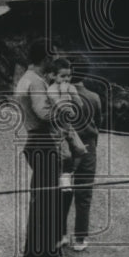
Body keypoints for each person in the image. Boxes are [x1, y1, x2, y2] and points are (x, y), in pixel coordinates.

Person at [14, 39, 61, 257]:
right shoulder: (37, 82)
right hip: (43, 140)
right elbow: (44, 113)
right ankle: (38, 253)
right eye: (51, 57)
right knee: (47, 199)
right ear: (44, 58)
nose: (53, 61)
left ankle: (36, 248)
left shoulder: (24, 79)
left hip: (32, 139)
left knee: (40, 197)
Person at [59, 62, 103, 253]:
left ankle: (60, 233)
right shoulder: (94, 97)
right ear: (85, 74)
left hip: (66, 144)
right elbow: (99, 122)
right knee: (84, 193)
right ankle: (80, 237)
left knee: (63, 188)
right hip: (87, 144)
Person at [44, 59, 87, 190]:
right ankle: (63, 179)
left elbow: (80, 105)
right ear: (53, 76)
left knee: (81, 150)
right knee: (66, 155)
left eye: (69, 76)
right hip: (56, 127)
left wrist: (74, 94)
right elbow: (64, 108)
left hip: (67, 125)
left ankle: (68, 174)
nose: (66, 79)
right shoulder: (52, 90)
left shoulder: (68, 89)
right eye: (62, 76)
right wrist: (64, 92)